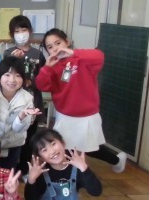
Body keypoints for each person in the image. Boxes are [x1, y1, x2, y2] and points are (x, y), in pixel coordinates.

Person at [35, 28, 126, 172]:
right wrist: (47, 68)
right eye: (50, 47)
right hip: (65, 116)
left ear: (67, 42)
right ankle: (69, 178)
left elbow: (99, 56)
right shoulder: (52, 67)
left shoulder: (82, 59)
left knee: (91, 149)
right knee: (63, 149)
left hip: (87, 115)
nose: (55, 48)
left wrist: (73, 53)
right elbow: (42, 85)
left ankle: (117, 160)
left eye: (58, 43)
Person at [0, 57, 41, 170]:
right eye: (7, 74)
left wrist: (22, 116)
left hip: (13, 146)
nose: (12, 80)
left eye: (18, 75)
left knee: (8, 174)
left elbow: (18, 129)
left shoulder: (27, 98)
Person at [3, 15, 46, 174]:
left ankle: (25, 170)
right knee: (13, 135)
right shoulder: (8, 53)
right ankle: (11, 169)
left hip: (34, 100)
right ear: (12, 34)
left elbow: (43, 77)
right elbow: (5, 76)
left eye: (24, 30)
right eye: (17, 31)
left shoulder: (38, 54)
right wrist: (14, 60)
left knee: (30, 139)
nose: (21, 34)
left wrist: (32, 82)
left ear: (30, 31)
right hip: (14, 102)